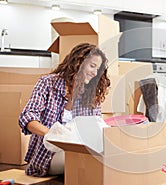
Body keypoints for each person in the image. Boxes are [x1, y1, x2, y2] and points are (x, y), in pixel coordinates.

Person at [18, 43, 110, 177]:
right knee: (91, 161)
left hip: (80, 151)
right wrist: (53, 135)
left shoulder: (91, 93)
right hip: (48, 155)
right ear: (78, 63)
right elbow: (27, 117)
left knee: (105, 155)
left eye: (98, 69)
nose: (95, 73)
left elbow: (95, 126)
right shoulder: (48, 83)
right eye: (92, 66)